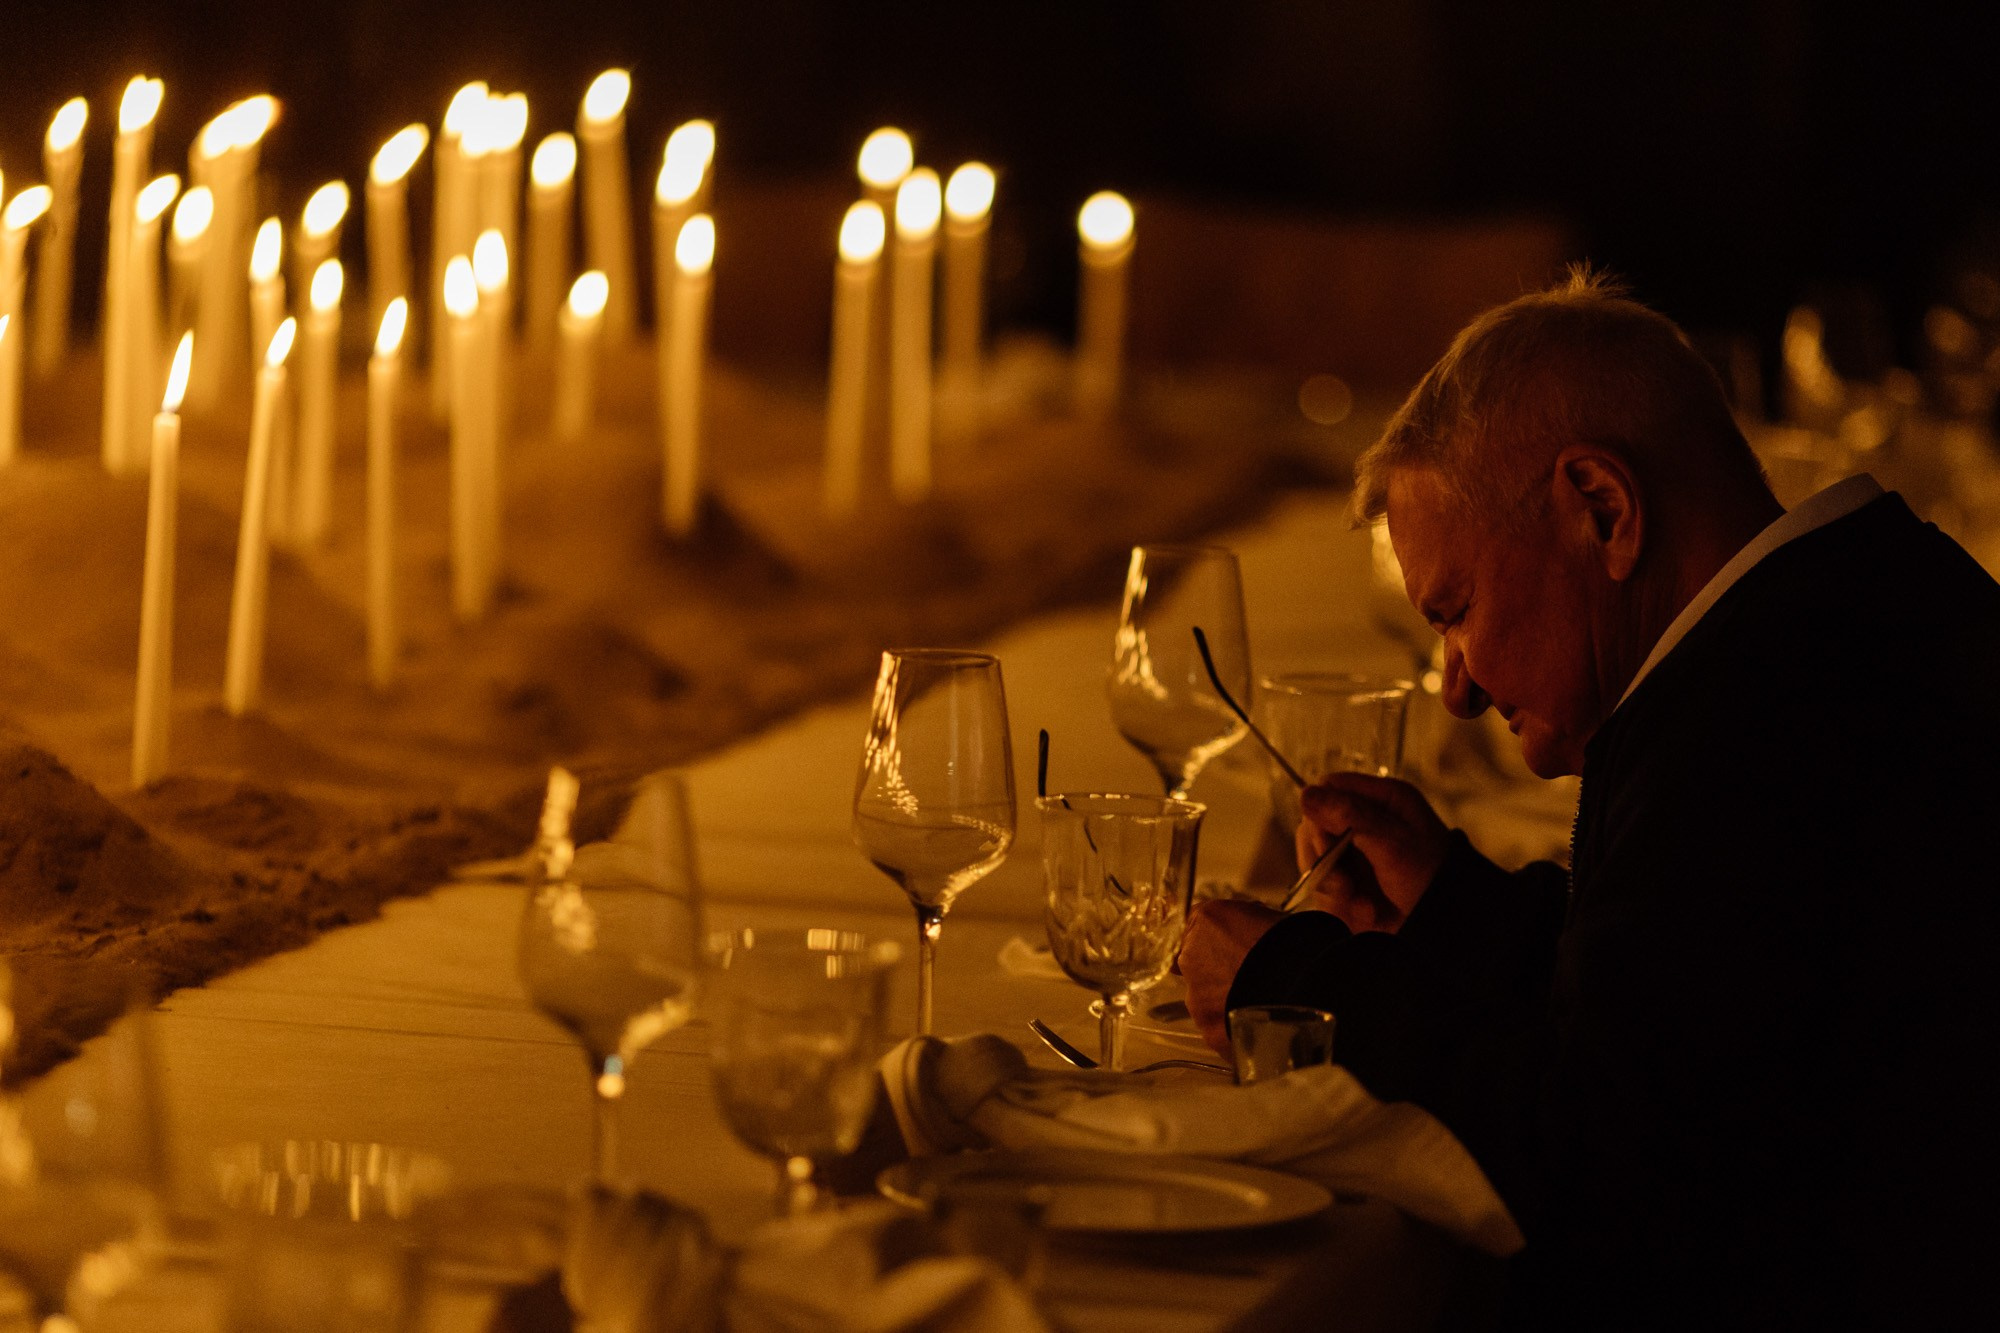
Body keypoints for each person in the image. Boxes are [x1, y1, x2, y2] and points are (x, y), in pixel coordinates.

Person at [1177, 269, 2000, 1330]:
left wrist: (1291, 988)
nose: (1456, 688)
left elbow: (1594, 1169)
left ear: (1602, 510)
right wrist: (1453, 908)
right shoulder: (1846, 612)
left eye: (1455, 611)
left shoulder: (1757, 721)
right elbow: (1679, 1014)